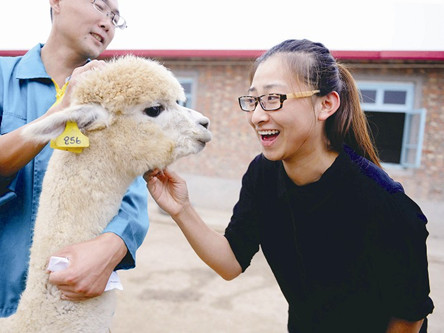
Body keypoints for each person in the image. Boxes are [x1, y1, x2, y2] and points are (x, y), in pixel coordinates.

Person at [145, 39, 434, 332]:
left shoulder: (383, 202)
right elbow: (230, 262)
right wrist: (182, 209)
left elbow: (408, 317)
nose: (257, 116)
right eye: (253, 100)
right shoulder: (263, 175)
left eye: (273, 98)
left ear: (326, 104)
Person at [0, 0, 148, 320]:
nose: (107, 23)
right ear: (56, 2)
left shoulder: (112, 104)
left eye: (115, 18)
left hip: (74, 306)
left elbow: (131, 192)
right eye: (99, 5)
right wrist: (61, 110)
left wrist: (113, 245)